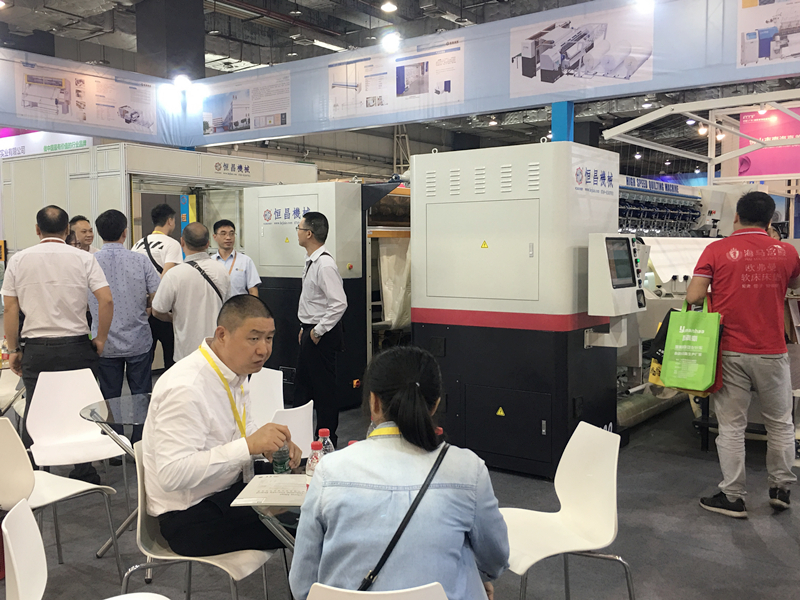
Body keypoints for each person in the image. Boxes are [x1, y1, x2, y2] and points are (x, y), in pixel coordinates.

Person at [289, 346, 509, 599]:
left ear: (373, 401)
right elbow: (496, 559)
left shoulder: (329, 471)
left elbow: (302, 584)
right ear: (435, 404)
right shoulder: (468, 470)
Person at [142, 295, 302, 556]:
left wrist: (269, 445)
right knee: (311, 519)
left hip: (229, 486)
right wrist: (248, 446)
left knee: (312, 484)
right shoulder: (187, 387)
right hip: (190, 515)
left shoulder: (234, 372)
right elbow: (172, 475)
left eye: (269, 338)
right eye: (254, 338)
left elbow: (239, 429)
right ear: (222, 335)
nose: (263, 350)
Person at [687, 191, 800, 518]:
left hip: (729, 352)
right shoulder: (786, 252)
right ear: (770, 220)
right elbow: (794, 283)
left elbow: (694, 296)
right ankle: (781, 489)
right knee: (781, 423)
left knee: (732, 426)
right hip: (772, 351)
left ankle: (733, 496)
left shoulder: (716, 249)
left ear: (736, 217)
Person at [1, 205, 113, 483]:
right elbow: (106, 300)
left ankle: (31, 470)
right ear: (67, 230)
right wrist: (100, 338)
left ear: (37, 230)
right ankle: (85, 470)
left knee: (35, 407)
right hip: (77, 345)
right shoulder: (84, 258)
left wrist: (13, 349)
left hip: (37, 348)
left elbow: (11, 308)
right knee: (82, 405)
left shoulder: (19, 260)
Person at [89, 210, 160, 443]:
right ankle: (140, 442)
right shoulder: (140, 260)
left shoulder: (90, 262)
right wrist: (145, 308)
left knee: (109, 395)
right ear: (125, 232)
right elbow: (157, 296)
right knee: (141, 394)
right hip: (138, 338)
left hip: (104, 341)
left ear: (99, 233)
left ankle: (114, 443)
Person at [295, 212, 348, 447]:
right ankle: (302, 438)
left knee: (324, 391)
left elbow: (339, 303)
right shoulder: (312, 261)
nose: (297, 233)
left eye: (299, 228)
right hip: (310, 331)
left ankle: (327, 440)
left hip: (321, 336)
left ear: (309, 233)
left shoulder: (324, 264)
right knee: (303, 389)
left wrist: (317, 331)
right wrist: (305, 328)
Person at [151, 222, 231, 362]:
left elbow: (157, 310)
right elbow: (228, 306)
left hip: (186, 352)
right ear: (207, 243)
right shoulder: (222, 270)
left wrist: (173, 318)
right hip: (215, 349)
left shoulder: (174, 275)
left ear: (182, 242)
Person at [132, 203, 182, 370]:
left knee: (145, 358)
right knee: (171, 357)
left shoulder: (138, 244)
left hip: (142, 309)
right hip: (163, 308)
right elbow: (167, 275)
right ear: (170, 221)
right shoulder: (172, 244)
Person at [212, 219, 260, 297]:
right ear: (215, 237)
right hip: (216, 304)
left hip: (239, 304)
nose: (228, 237)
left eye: (231, 234)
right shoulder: (210, 261)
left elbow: (253, 290)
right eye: (223, 234)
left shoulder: (245, 261)